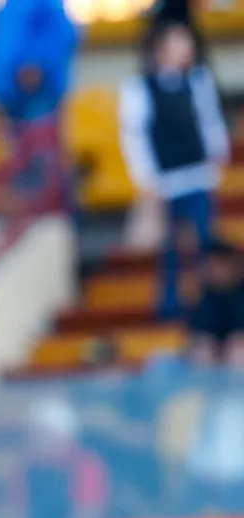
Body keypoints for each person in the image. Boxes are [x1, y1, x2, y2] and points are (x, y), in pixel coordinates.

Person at [119, 21, 229, 318]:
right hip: (165, 180)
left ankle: (211, 304)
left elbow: (210, 121)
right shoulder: (140, 87)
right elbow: (134, 134)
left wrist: (216, 156)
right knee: (170, 250)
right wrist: (145, 177)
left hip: (197, 175)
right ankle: (169, 304)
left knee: (204, 242)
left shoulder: (198, 80)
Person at [186, 239, 244, 367]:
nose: (214, 270)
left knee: (239, 348)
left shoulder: (240, 293)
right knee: (202, 349)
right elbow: (199, 330)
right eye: (210, 265)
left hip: (237, 349)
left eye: (219, 264)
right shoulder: (204, 295)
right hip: (213, 352)